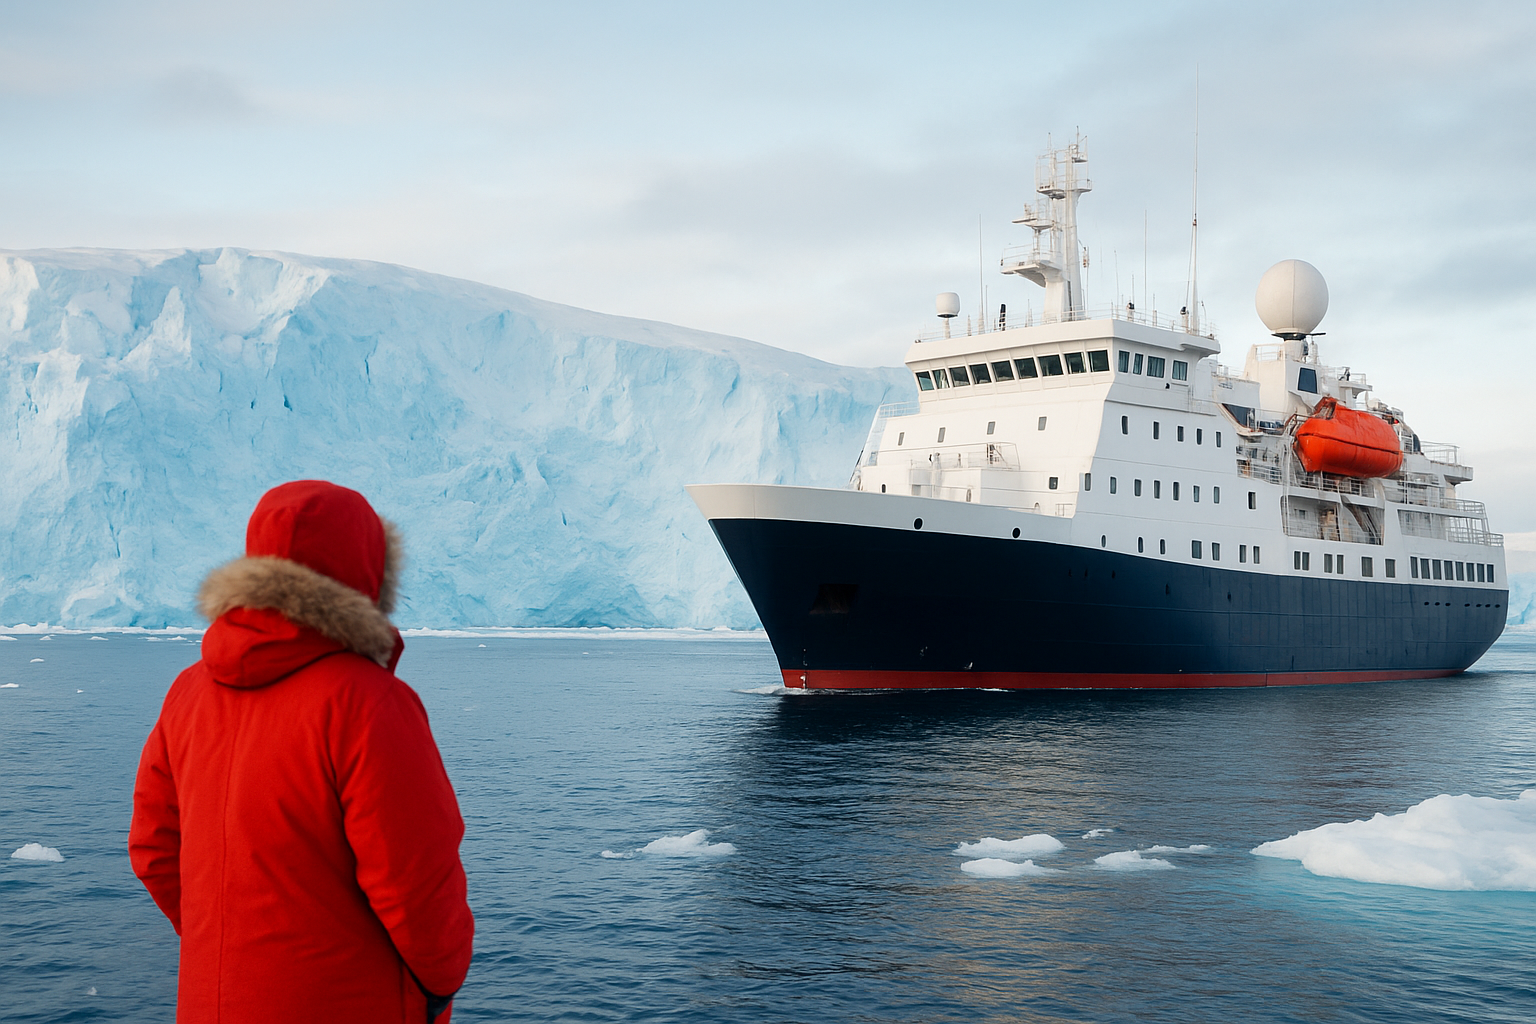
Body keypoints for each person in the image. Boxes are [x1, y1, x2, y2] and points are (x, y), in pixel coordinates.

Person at [130, 480, 474, 1023]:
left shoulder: (187, 693)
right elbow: (415, 884)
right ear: (366, 572)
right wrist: (440, 984)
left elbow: (153, 847)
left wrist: (225, 937)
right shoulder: (369, 704)